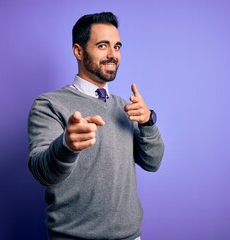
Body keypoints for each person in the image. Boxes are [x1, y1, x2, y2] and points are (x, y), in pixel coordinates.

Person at [28, 12, 164, 240]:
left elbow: (153, 163)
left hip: (129, 237)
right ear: (78, 51)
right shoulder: (49, 104)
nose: (113, 55)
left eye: (117, 46)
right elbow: (42, 172)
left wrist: (147, 121)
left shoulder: (125, 106)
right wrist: (66, 146)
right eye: (103, 46)